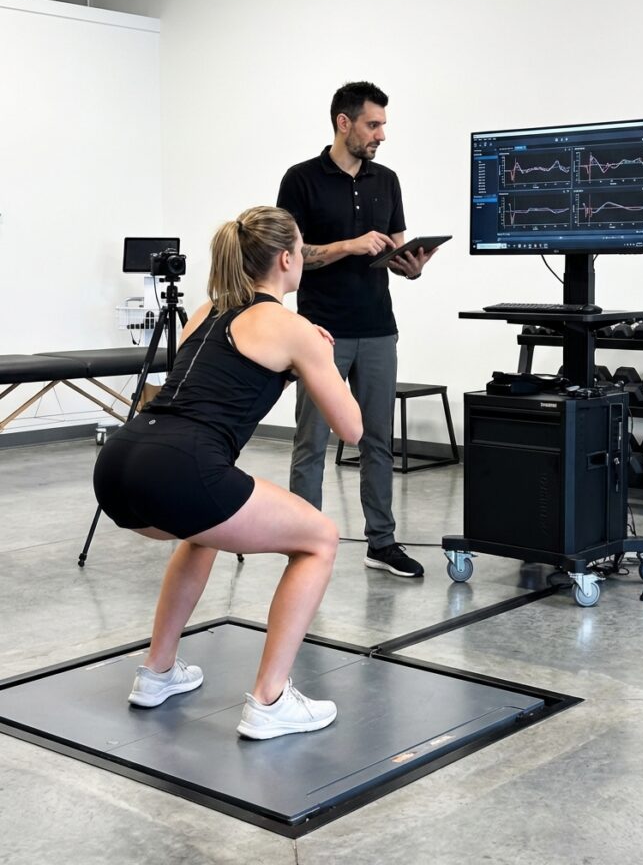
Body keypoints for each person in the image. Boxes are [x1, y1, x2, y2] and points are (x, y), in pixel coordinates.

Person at [93, 206, 362, 740]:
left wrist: (297, 363)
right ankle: (270, 701)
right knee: (320, 539)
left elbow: (220, 383)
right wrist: (317, 360)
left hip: (121, 463)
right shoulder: (292, 326)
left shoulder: (207, 310)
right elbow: (352, 429)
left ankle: (158, 672)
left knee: (202, 534)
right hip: (182, 469)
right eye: (302, 249)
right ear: (287, 259)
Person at [276, 81, 436, 579]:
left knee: (378, 440)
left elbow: (395, 250)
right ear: (343, 123)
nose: (381, 134)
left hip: (378, 328)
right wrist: (347, 245)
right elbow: (292, 257)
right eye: (373, 124)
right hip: (320, 332)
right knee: (312, 441)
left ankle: (381, 543)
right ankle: (305, 543)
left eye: (383, 124)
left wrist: (410, 265)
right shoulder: (300, 180)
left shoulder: (387, 180)